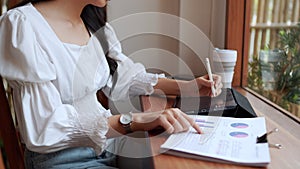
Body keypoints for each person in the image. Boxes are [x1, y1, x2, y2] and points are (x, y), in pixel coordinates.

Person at [0, 0, 222, 168]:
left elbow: (125, 78)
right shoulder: (23, 24)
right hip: (63, 160)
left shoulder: (92, 22)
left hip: (108, 146)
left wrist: (188, 87)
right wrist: (133, 121)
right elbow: (44, 129)